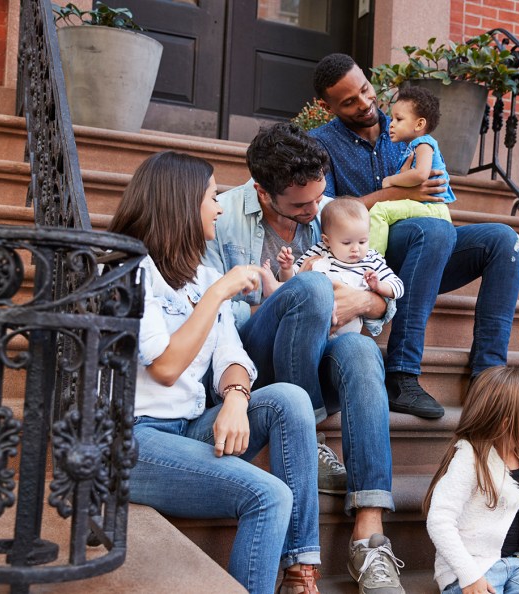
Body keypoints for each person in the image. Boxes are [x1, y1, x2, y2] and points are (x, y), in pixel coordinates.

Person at [204, 123, 406, 594]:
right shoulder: (223, 214)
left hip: (319, 354)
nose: (315, 212)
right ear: (262, 190)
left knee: (359, 348)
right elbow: (214, 309)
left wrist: (364, 302)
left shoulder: (328, 213)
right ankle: (306, 431)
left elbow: (381, 301)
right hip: (254, 354)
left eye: (319, 198)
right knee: (312, 286)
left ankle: (369, 533)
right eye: (301, 205)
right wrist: (298, 298)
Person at [110, 151, 320, 594]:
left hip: (189, 428)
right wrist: (221, 291)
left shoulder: (203, 277)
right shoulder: (126, 274)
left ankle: (301, 569)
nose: (221, 207)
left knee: (290, 400)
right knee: (269, 495)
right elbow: (165, 367)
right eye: (211, 197)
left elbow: (232, 355)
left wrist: (238, 399)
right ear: (181, 204)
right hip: (133, 440)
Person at [312, 53, 519, 420]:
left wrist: (434, 183)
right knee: (436, 230)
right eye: (349, 102)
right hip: (367, 259)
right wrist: (392, 194)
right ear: (325, 105)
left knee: (504, 240)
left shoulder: (407, 124)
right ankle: (401, 375)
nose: (365, 104)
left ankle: (488, 377)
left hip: (425, 253)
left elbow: (430, 179)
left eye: (365, 90)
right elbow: (323, 211)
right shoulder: (321, 143)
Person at [425, 366, 519, 594]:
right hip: (474, 566)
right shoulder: (470, 459)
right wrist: (468, 575)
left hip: (517, 562)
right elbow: (439, 520)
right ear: (507, 423)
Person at [266, 198, 404, 336]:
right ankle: (273, 289)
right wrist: (286, 268)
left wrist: (379, 286)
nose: (356, 249)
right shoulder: (319, 251)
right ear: (327, 241)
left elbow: (398, 286)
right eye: (346, 242)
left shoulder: (372, 259)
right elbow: (291, 281)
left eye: (363, 241)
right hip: (312, 321)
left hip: (346, 329)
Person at [370, 85, 455, 255]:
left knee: (379, 211)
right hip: (428, 207)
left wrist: (390, 180)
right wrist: (403, 174)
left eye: (398, 119)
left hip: (433, 208)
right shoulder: (410, 147)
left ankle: (373, 261)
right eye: (391, 118)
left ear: (419, 124)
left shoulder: (423, 143)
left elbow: (421, 174)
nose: (391, 124)